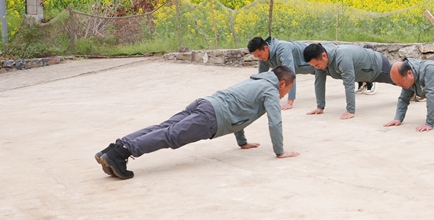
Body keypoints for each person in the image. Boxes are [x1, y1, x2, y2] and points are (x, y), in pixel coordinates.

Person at [94, 66, 300, 180]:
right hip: (212, 117)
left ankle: (111, 150)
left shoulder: (257, 81)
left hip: (205, 103)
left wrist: (242, 141)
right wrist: (280, 151)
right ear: (282, 83)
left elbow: (242, 110)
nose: (285, 94)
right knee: (171, 136)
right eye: (288, 89)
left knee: (163, 128)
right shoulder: (271, 90)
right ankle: (121, 152)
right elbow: (275, 122)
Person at [303, 43, 394, 120]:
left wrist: (350, 110)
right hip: (364, 73)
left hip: (377, 66)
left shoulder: (342, 57)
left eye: (317, 65)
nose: (316, 68)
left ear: (324, 55)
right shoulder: (321, 62)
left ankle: (408, 89)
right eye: (314, 66)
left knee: (399, 80)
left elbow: (349, 84)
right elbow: (319, 83)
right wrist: (320, 107)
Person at [247, 36, 316, 111]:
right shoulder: (263, 58)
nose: (259, 58)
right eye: (257, 57)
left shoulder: (283, 49)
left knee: (329, 71)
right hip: (308, 68)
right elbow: (261, 78)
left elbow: (290, 74)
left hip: (315, 61)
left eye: (259, 55)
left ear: (266, 48)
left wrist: (290, 102)